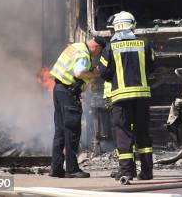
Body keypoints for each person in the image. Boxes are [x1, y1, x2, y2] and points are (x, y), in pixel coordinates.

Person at [100, 11, 155, 182]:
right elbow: (152, 67)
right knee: (142, 132)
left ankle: (126, 172)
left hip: (121, 98)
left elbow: (104, 73)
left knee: (124, 134)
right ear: (132, 25)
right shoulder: (145, 44)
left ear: (116, 27)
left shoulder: (110, 47)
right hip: (142, 96)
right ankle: (146, 172)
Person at [49, 36, 106, 178]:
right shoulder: (83, 54)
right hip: (68, 93)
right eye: (98, 52)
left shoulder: (75, 47)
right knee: (72, 131)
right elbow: (79, 72)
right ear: (97, 47)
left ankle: (56, 168)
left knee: (60, 131)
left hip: (59, 90)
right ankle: (72, 169)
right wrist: (93, 73)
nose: (96, 55)